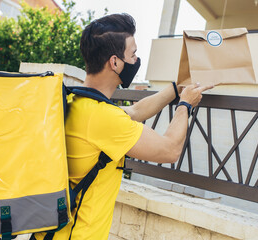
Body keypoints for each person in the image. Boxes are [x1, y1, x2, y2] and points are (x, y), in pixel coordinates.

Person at [35, 13, 212, 240]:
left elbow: (135, 112)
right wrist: (185, 104)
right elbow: (170, 150)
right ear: (115, 62)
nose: (136, 60)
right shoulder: (104, 119)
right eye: (133, 54)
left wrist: (177, 88)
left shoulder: (75, 102)